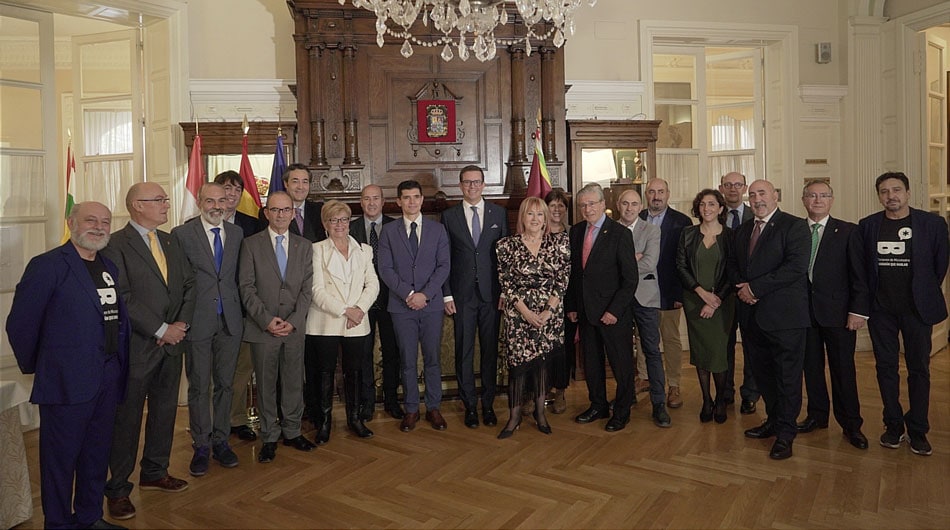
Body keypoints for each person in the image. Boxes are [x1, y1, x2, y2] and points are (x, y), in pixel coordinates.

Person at [6, 202, 129, 530]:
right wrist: (43, 367)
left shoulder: (108, 266)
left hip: (107, 376)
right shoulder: (47, 266)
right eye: (91, 220)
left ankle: (90, 517)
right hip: (65, 381)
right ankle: (58, 524)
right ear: (71, 222)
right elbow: (20, 324)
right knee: (60, 461)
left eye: (105, 221)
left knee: (96, 455)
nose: (99, 227)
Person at [102, 183, 195, 520]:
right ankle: (117, 489)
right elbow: (122, 295)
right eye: (159, 200)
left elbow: (188, 285)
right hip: (138, 347)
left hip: (172, 345)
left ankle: (155, 471)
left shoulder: (170, 240)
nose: (165, 204)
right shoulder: (115, 244)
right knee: (126, 419)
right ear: (136, 206)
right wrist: (160, 330)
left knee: (165, 411)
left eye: (165, 199)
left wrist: (180, 325)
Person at [859, 172, 949, 456]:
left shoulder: (933, 224)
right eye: (884, 191)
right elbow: (862, 269)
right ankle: (893, 426)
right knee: (885, 369)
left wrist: (922, 292)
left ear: (908, 193)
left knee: (919, 370)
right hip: (881, 310)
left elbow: (939, 265)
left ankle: (919, 429)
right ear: (879, 196)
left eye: (896, 190)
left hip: (916, 309)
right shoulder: (868, 226)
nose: (891, 196)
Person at [727, 179, 810, 460]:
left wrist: (755, 289)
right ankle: (773, 421)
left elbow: (795, 268)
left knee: (787, 378)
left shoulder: (795, 226)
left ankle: (786, 434)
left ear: (776, 195)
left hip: (785, 318)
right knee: (763, 376)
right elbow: (734, 266)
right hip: (752, 317)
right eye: (753, 194)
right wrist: (743, 289)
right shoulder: (742, 231)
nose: (757, 198)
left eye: (762, 193)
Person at [239, 191, 317, 463]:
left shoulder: (304, 245)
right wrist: (266, 320)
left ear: (293, 213)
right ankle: (269, 436)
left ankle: (293, 431)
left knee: (294, 381)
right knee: (266, 384)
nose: (281, 215)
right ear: (266, 213)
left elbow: (308, 290)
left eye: (286, 210)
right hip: (263, 329)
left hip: (294, 329)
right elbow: (246, 288)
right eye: (275, 210)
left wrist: (293, 322)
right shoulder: (250, 245)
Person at [172, 183, 244, 475]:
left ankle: (221, 441)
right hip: (198, 320)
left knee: (226, 384)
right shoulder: (182, 234)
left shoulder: (237, 233)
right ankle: (201, 445)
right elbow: (177, 281)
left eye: (222, 200)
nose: (217, 206)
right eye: (210, 200)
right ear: (200, 201)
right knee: (200, 386)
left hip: (230, 320)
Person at [798, 181, 870, 449]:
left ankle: (851, 424)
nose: (817, 200)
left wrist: (858, 311)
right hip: (804, 315)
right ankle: (817, 416)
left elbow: (859, 276)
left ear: (832, 199)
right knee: (812, 369)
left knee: (843, 370)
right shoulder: (795, 231)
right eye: (812, 195)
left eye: (823, 195)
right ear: (803, 199)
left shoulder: (849, 231)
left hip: (840, 315)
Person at [566, 183, 641, 432]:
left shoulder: (620, 234)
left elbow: (630, 280)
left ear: (603, 205)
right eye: (583, 205)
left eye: (591, 204)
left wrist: (614, 311)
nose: (587, 209)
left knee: (621, 365)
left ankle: (622, 411)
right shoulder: (576, 232)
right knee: (592, 364)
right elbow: (576, 275)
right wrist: (573, 306)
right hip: (586, 312)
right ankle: (597, 405)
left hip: (612, 314)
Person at [378, 180, 451, 432]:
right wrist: (409, 294)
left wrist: (425, 295)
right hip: (401, 306)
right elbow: (385, 269)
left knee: (432, 359)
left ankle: (433, 407)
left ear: (422, 199)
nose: (411, 202)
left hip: (431, 306)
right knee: (407, 361)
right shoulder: (388, 231)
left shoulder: (437, 230)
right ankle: (411, 409)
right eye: (406, 197)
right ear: (398, 201)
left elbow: (444, 267)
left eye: (416, 197)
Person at [495, 197, 570, 438]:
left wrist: (547, 311)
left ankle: (540, 413)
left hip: (550, 315)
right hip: (519, 316)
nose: (535, 219)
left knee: (541, 366)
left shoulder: (558, 244)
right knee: (517, 368)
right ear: (522, 218)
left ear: (546, 218)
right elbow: (506, 283)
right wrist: (526, 312)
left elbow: (563, 280)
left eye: (540, 215)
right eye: (530, 214)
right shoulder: (506, 245)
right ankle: (514, 416)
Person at [306, 200, 380, 443]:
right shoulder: (316, 249)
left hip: (358, 320)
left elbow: (373, 284)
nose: (339, 225)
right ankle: (325, 422)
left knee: (355, 371)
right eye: (333, 220)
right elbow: (316, 290)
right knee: (324, 372)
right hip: (326, 320)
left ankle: (355, 419)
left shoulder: (364, 250)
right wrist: (346, 311)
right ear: (325, 224)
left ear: (350, 222)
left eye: (344, 219)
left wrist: (359, 309)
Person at [442, 165, 509, 429]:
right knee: (464, 352)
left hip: (492, 296)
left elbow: (504, 258)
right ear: (460, 185)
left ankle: (488, 404)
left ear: (483, 184)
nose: (472, 186)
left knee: (490, 352)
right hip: (462, 296)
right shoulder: (449, 216)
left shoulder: (498, 213)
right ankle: (470, 405)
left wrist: (505, 290)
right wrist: (447, 294)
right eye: (467, 182)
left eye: (477, 182)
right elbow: (444, 259)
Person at [676, 189, 735, 424]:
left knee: (718, 354)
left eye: (711, 204)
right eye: (702, 205)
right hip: (694, 300)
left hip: (722, 303)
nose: (706, 209)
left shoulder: (731, 236)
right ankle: (706, 400)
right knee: (700, 353)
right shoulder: (687, 234)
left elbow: (733, 271)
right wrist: (701, 293)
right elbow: (680, 266)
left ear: (721, 209)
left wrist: (715, 299)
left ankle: (721, 399)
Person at [616, 189, 670, 428]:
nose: (629, 208)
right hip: (619, 300)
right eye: (625, 203)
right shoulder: (610, 230)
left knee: (652, 351)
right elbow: (606, 266)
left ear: (641, 206)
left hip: (646, 299)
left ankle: (659, 403)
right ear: (618, 205)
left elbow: (650, 263)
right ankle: (624, 400)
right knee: (622, 353)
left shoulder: (651, 229)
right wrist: (633, 258)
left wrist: (623, 263)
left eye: (634, 204)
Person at [214, 171, 260, 443]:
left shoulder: (252, 225)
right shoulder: (193, 225)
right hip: (210, 310)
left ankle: (237, 419)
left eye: (236, 190)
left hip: (243, 308)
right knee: (212, 371)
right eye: (226, 188)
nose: (231, 194)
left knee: (243, 368)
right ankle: (211, 421)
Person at [350, 184, 403, 420]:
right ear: (361, 203)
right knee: (363, 354)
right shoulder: (349, 229)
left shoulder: (397, 226)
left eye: (376, 199)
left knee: (393, 351)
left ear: (383, 202)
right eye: (366, 199)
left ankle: (391, 399)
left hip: (393, 299)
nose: (371, 203)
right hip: (362, 302)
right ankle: (367, 402)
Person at [640, 178, 692, 409]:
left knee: (670, 339)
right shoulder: (636, 218)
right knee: (643, 337)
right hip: (641, 292)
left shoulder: (682, 222)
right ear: (646, 194)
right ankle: (644, 378)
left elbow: (685, 262)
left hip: (669, 291)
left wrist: (681, 293)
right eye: (652, 191)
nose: (656, 196)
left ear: (668, 194)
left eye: (660, 191)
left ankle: (673, 385)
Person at [718, 171, 759, 415]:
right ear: (721, 188)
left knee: (752, 344)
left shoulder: (757, 214)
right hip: (721, 292)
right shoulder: (712, 212)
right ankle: (725, 391)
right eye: (727, 185)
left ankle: (751, 394)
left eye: (737, 185)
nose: (733, 189)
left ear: (744, 188)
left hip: (749, 291)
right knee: (725, 345)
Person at [544, 188, 575, 414]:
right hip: (540, 304)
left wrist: (573, 305)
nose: (556, 209)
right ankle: (540, 390)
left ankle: (561, 390)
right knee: (540, 348)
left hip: (566, 302)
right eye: (552, 205)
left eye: (561, 205)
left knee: (562, 349)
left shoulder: (574, 233)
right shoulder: (537, 232)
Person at [259, 163, 326, 242]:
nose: (300, 187)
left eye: (305, 182)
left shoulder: (320, 210)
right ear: (286, 184)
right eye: (295, 181)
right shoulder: (271, 212)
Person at [214, 170, 262, 238]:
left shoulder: (253, 225)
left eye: (238, 190)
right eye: (228, 188)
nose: (233, 194)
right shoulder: (201, 221)